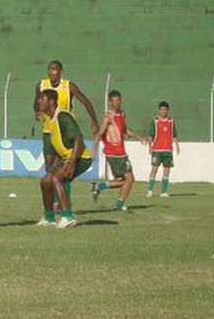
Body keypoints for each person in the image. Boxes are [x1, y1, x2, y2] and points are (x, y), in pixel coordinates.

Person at [33, 60, 99, 211]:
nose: (52, 72)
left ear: (60, 71)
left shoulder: (68, 86)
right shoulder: (42, 85)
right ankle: (56, 202)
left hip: (66, 131)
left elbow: (85, 101)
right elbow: (36, 101)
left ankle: (64, 204)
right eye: (50, 69)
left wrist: (94, 121)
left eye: (55, 69)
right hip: (48, 131)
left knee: (64, 167)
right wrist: (36, 111)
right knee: (50, 169)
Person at [36, 89, 93, 229]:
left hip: (81, 158)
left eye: (42, 99)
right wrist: (57, 160)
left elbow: (78, 139)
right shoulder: (51, 119)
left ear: (51, 102)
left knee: (57, 178)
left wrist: (72, 162)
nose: (39, 101)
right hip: (67, 158)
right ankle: (49, 218)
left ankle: (67, 216)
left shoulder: (62, 116)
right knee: (45, 182)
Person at [91, 90, 147, 211]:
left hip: (121, 152)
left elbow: (125, 130)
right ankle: (119, 203)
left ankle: (100, 187)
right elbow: (100, 133)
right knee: (130, 179)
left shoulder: (121, 114)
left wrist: (139, 136)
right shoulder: (108, 117)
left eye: (118, 100)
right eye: (114, 101)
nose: (117, 103)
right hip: (114, 153)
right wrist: (94, 150)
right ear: (110, 102)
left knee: (126, 180)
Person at [146, 101, 180, 198]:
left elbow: (174, 135)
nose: (163, 111)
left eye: (165, 110)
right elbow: (150, 135)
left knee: (167, 171)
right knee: (154, 169)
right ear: (158, 110)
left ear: (167, 111)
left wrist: (177, 145)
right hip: (157, 150)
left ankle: (163, 192)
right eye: (161, 110)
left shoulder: (171, 122)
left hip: (168, 150)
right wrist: (150, 146)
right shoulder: (155, 121)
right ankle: (150, 190)